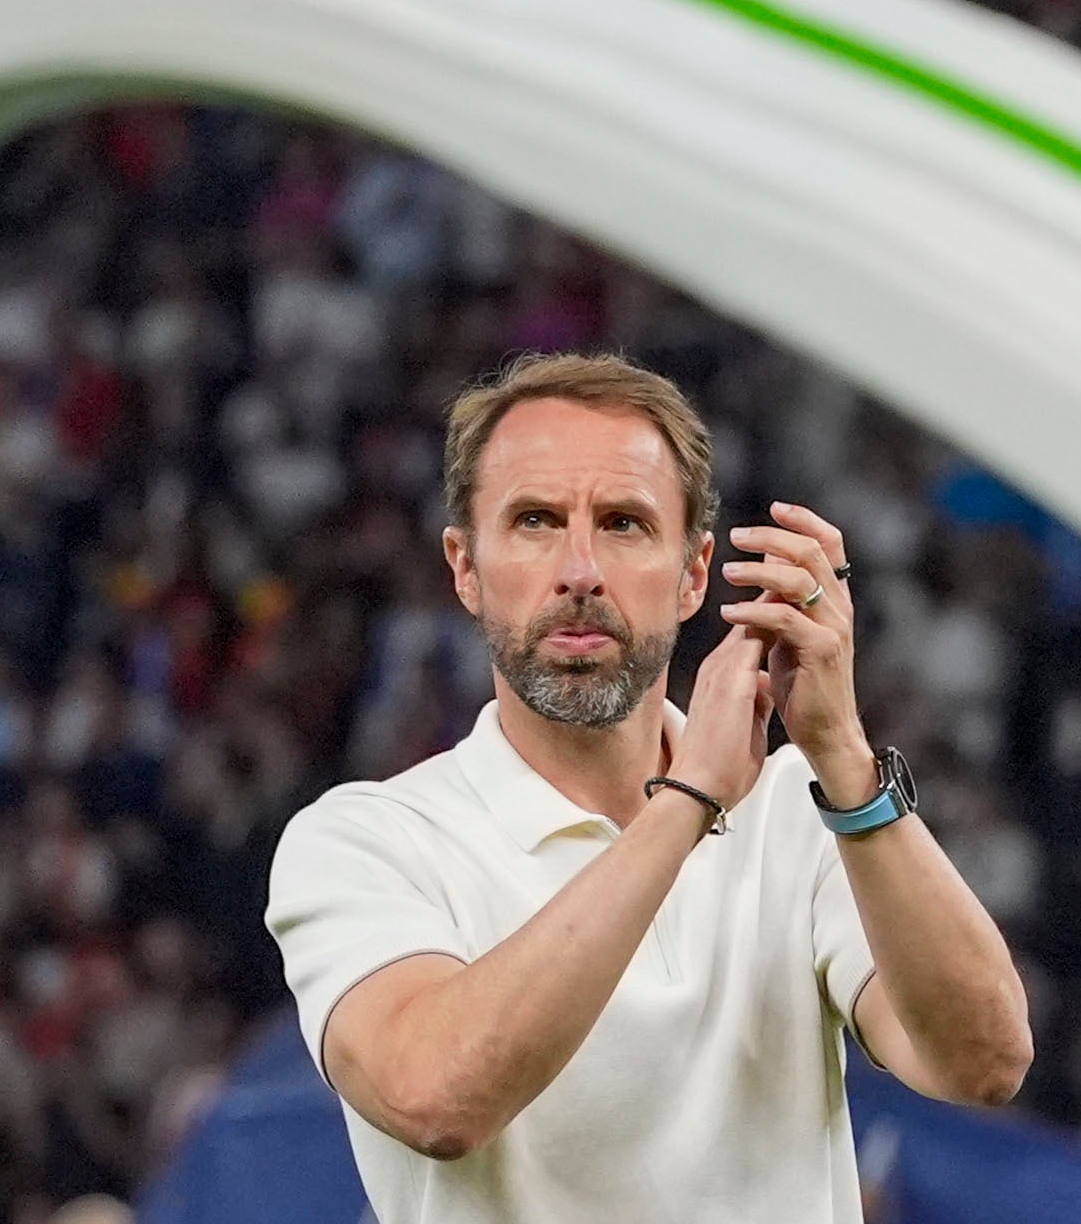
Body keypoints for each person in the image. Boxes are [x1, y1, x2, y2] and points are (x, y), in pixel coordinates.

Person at [265, 351, 1032, 1222]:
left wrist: (844, 758)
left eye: (625, 523)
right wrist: (688, 803)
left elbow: (983, 1062)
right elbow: (437, 1097)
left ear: (694, 573)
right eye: (535, 520)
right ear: (465, 567)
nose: (580, 569)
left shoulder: (806, 810)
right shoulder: (367, 838)